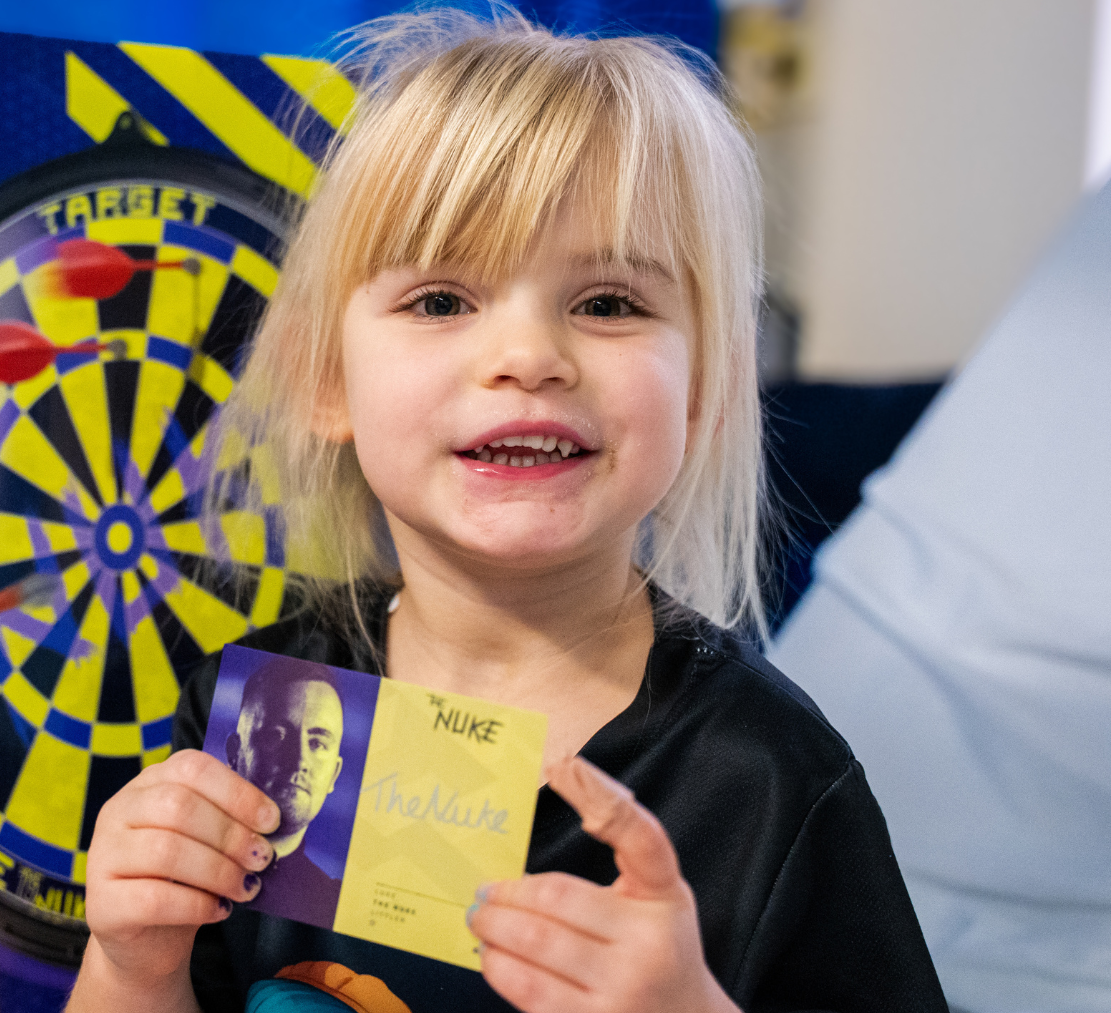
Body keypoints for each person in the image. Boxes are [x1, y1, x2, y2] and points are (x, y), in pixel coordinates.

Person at [67, 9, 947, 1013]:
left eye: (609, 303)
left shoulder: (769, 777)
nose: (527, 356)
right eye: (441, 300)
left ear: (705, 387)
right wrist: (132, 962)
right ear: (325, 377)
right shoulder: (253, 716)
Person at [224, 662, 346, 928]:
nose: (299, 760)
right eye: (276, 736)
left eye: (317, 743)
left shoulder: (339, 905)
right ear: (235, 752)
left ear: (334, 775)